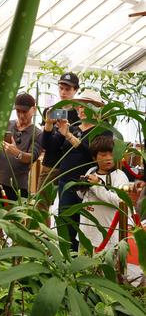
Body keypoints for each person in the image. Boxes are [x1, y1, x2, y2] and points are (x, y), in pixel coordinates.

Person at [41, 89, 113, 251]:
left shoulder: (103, 130)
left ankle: (86, 259)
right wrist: (48, 125)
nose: (81, 109)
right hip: (66, 183)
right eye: (79, 105)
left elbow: (94, 155)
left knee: (87, 225)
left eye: (86, 106)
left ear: (97, 108)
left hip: (87, 184)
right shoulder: (72, 127)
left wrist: (69, 137)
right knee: (65, 222)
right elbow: (49, 147)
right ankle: (67, 256)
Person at [37, 72, 80, 211]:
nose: (63, 92)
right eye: (61, 88)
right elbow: (47, 145)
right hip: (50, 164)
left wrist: (67, 131)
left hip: (71, 167)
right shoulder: (50, 111)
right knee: (41, 205)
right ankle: (40, 233)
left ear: (76, 90)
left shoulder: (80, 113)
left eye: (67, 89)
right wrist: (49, 125)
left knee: (67, 208)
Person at [77, 136, 129, 251]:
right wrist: (81, 188)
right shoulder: (90, 171)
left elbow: (119, 201)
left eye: (111, 154)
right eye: (103, 155)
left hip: (106, 237)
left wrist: (97, 185)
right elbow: (83, 198)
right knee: (84, 267)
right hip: (86, 233)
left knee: (104, 267)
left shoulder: (119, 176)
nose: (108, 158)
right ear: (94, 157)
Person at [0, 93, 42, 201]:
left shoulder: (37, 133)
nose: (21, 115)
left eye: (24, 112)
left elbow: (31, 158)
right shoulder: (6, 125)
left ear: (33, 109)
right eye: (18, 111)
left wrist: (17, 152)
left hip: (17, 187)